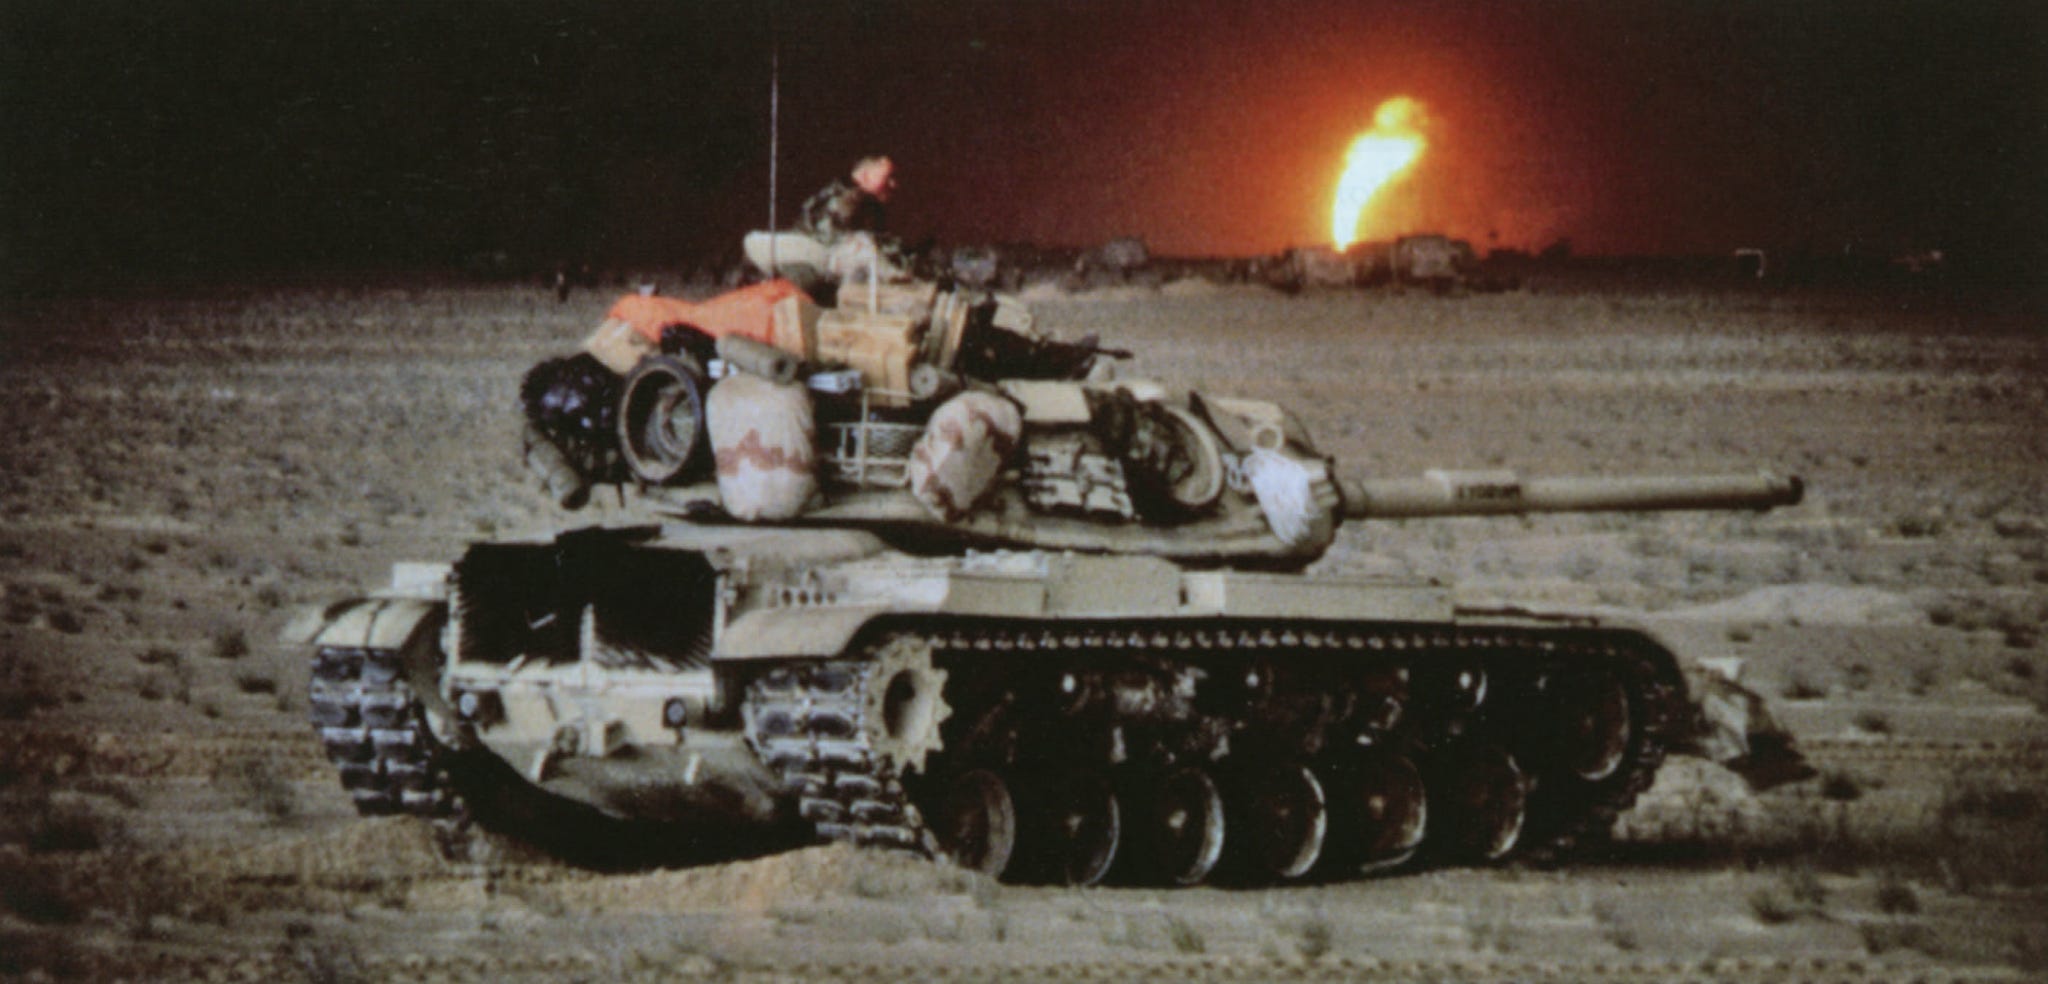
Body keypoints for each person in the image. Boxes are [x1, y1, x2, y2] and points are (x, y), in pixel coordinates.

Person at [799, 155, 895, 245]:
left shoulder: (864, 204)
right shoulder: (847, 201)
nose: (893, 184)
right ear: (864, 176)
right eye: (888, 177)